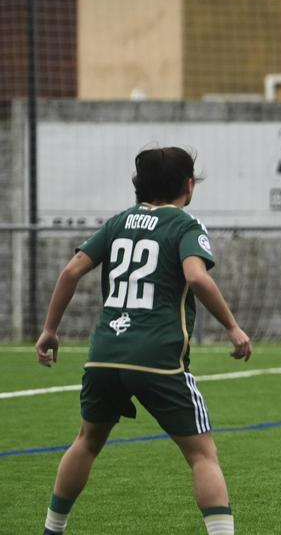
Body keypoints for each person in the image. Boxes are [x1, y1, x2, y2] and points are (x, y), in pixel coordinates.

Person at [34, 146, 252, 535]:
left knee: (86, 441)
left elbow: (70, 271)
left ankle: (52, 529)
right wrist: (233, 328)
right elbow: (197, 277)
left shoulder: (118, 222)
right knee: (202, 455)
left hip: (103, 356)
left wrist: (50, 330)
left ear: (139, 187)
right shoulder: (185, 226)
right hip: (157, 358)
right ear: (189, 185)